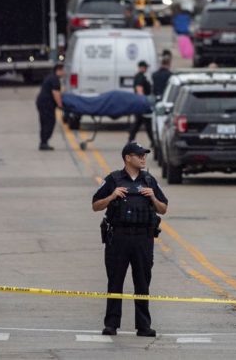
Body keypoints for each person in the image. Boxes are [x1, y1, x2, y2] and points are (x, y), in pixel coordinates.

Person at [92, 142, 168, 337]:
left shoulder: (150, 180)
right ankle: (111, 324)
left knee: (142, 282)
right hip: (119, 237)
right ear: (128, 158)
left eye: (144, 155)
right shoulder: (114, 179)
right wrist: (112, 196)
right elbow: (96, 205)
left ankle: (143, 326)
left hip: (143, 237)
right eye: (139, 155)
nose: (143, 158)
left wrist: (153, 198)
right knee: (115, 281)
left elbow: (163, 209)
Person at [35, 64, 65, 151]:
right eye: (63, 70)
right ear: (58, 70)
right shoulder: (55, 79)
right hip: (46, 104)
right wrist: (60, 105)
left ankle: (43, 142)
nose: (64, 72)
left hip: (42, 103)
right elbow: (55, 93)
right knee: (49, 122)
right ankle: (44, 142)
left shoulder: (51, 77)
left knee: (44, 122)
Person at [128, 61, 153, 144]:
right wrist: (143, 102)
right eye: (145, 67)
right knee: (147, 124)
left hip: (139, 103)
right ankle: (153, 141)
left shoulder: (140, 76)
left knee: (138, 123)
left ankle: (131, 139)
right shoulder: (140, 77)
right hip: (141, 104)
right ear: (142, 67)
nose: (146, 69)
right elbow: (139, 89)